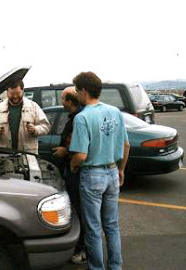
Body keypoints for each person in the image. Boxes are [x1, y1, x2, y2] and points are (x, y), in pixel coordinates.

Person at [69, 72, 130, 270]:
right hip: (112, 172)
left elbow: (81, 155)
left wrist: (72, 165)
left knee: (93, 228)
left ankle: (97, 268)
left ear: (84, 91)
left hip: (92, 175)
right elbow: (126, 146)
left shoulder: (82, 117)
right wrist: (121, 170)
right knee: (112, 225)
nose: (76, 94)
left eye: (77, 90)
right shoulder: (115, 112)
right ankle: (115, 266)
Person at [52, 86, 86, 264]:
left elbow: (79, 149)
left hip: (77, 171)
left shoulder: (79, 119)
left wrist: (67, 154)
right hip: (74, 170)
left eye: (62, 98)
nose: (60, 102)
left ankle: (81, 248)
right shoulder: (74, 117)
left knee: (79, 210)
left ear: (69, 101)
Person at [0, 79, 50, 154]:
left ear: (23, 91)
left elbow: (46, 127)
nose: (15, 97)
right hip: (5, 155)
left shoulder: (33, 107)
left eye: (18, 93)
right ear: (7, 92)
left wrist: (35, 129)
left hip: (28, 155)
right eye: (12, 94)